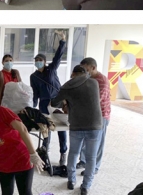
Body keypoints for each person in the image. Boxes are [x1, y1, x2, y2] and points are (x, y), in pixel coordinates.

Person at [51, 65, 102, 195]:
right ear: (85, 73)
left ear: (73, 74)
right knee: (91, 157)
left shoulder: (67, 86)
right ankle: (86, 186)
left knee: (73, 153)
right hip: (95, 125)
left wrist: (65, 100)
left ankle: (71, 181)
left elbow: (54, 104)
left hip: (76, 125)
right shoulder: (94, 82)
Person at [30, 30, 68, 166]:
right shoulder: (33, 76)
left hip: (57, 102)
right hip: (44, 103)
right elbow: (34, 91)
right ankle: (45, 151)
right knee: (46, 128)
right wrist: (32, 104)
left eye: (40, 60)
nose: (38, 62)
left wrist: (62, 41)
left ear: (45, 62)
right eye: (36, 60)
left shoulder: (51, 69)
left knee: (61, 128)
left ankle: (63, 153)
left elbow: (58, 56)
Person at [77, 58, 111, 175]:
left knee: (97, 141)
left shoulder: (102, 81)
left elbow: (97, 101)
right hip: (87, 114)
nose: (84, 72)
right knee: (86, 139)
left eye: (86, 69)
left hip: (101, 115)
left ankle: (94, 167)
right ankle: (83, 161)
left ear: (93, 67)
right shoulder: (87, 78)